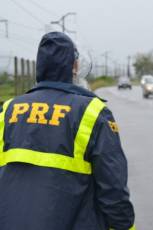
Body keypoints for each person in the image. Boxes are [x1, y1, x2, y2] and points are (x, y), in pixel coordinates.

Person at [0, 32, 135, 230]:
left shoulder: (9, 109)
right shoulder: (92, 111)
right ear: (74, 66)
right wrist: (125, 225)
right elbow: (113, 187)